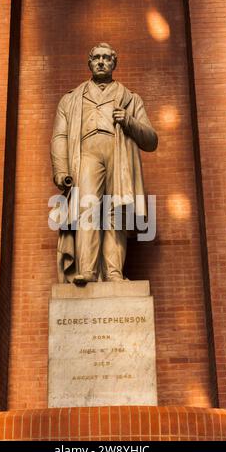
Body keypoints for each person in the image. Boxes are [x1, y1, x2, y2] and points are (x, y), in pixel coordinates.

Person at [50, 43, 158, 284]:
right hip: (87, 154)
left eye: (106, 58)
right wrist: (61, 170)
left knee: (115, 212)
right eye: (96, 57)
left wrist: (129, 121)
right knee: (87, 209)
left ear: (114, 63)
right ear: (89, 62)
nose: (101, 61)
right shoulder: (71, 99)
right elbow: (60, 136)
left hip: (118, 156)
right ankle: (87, 270)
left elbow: (151, 140)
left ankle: (114, 272)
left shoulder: (130, 98)